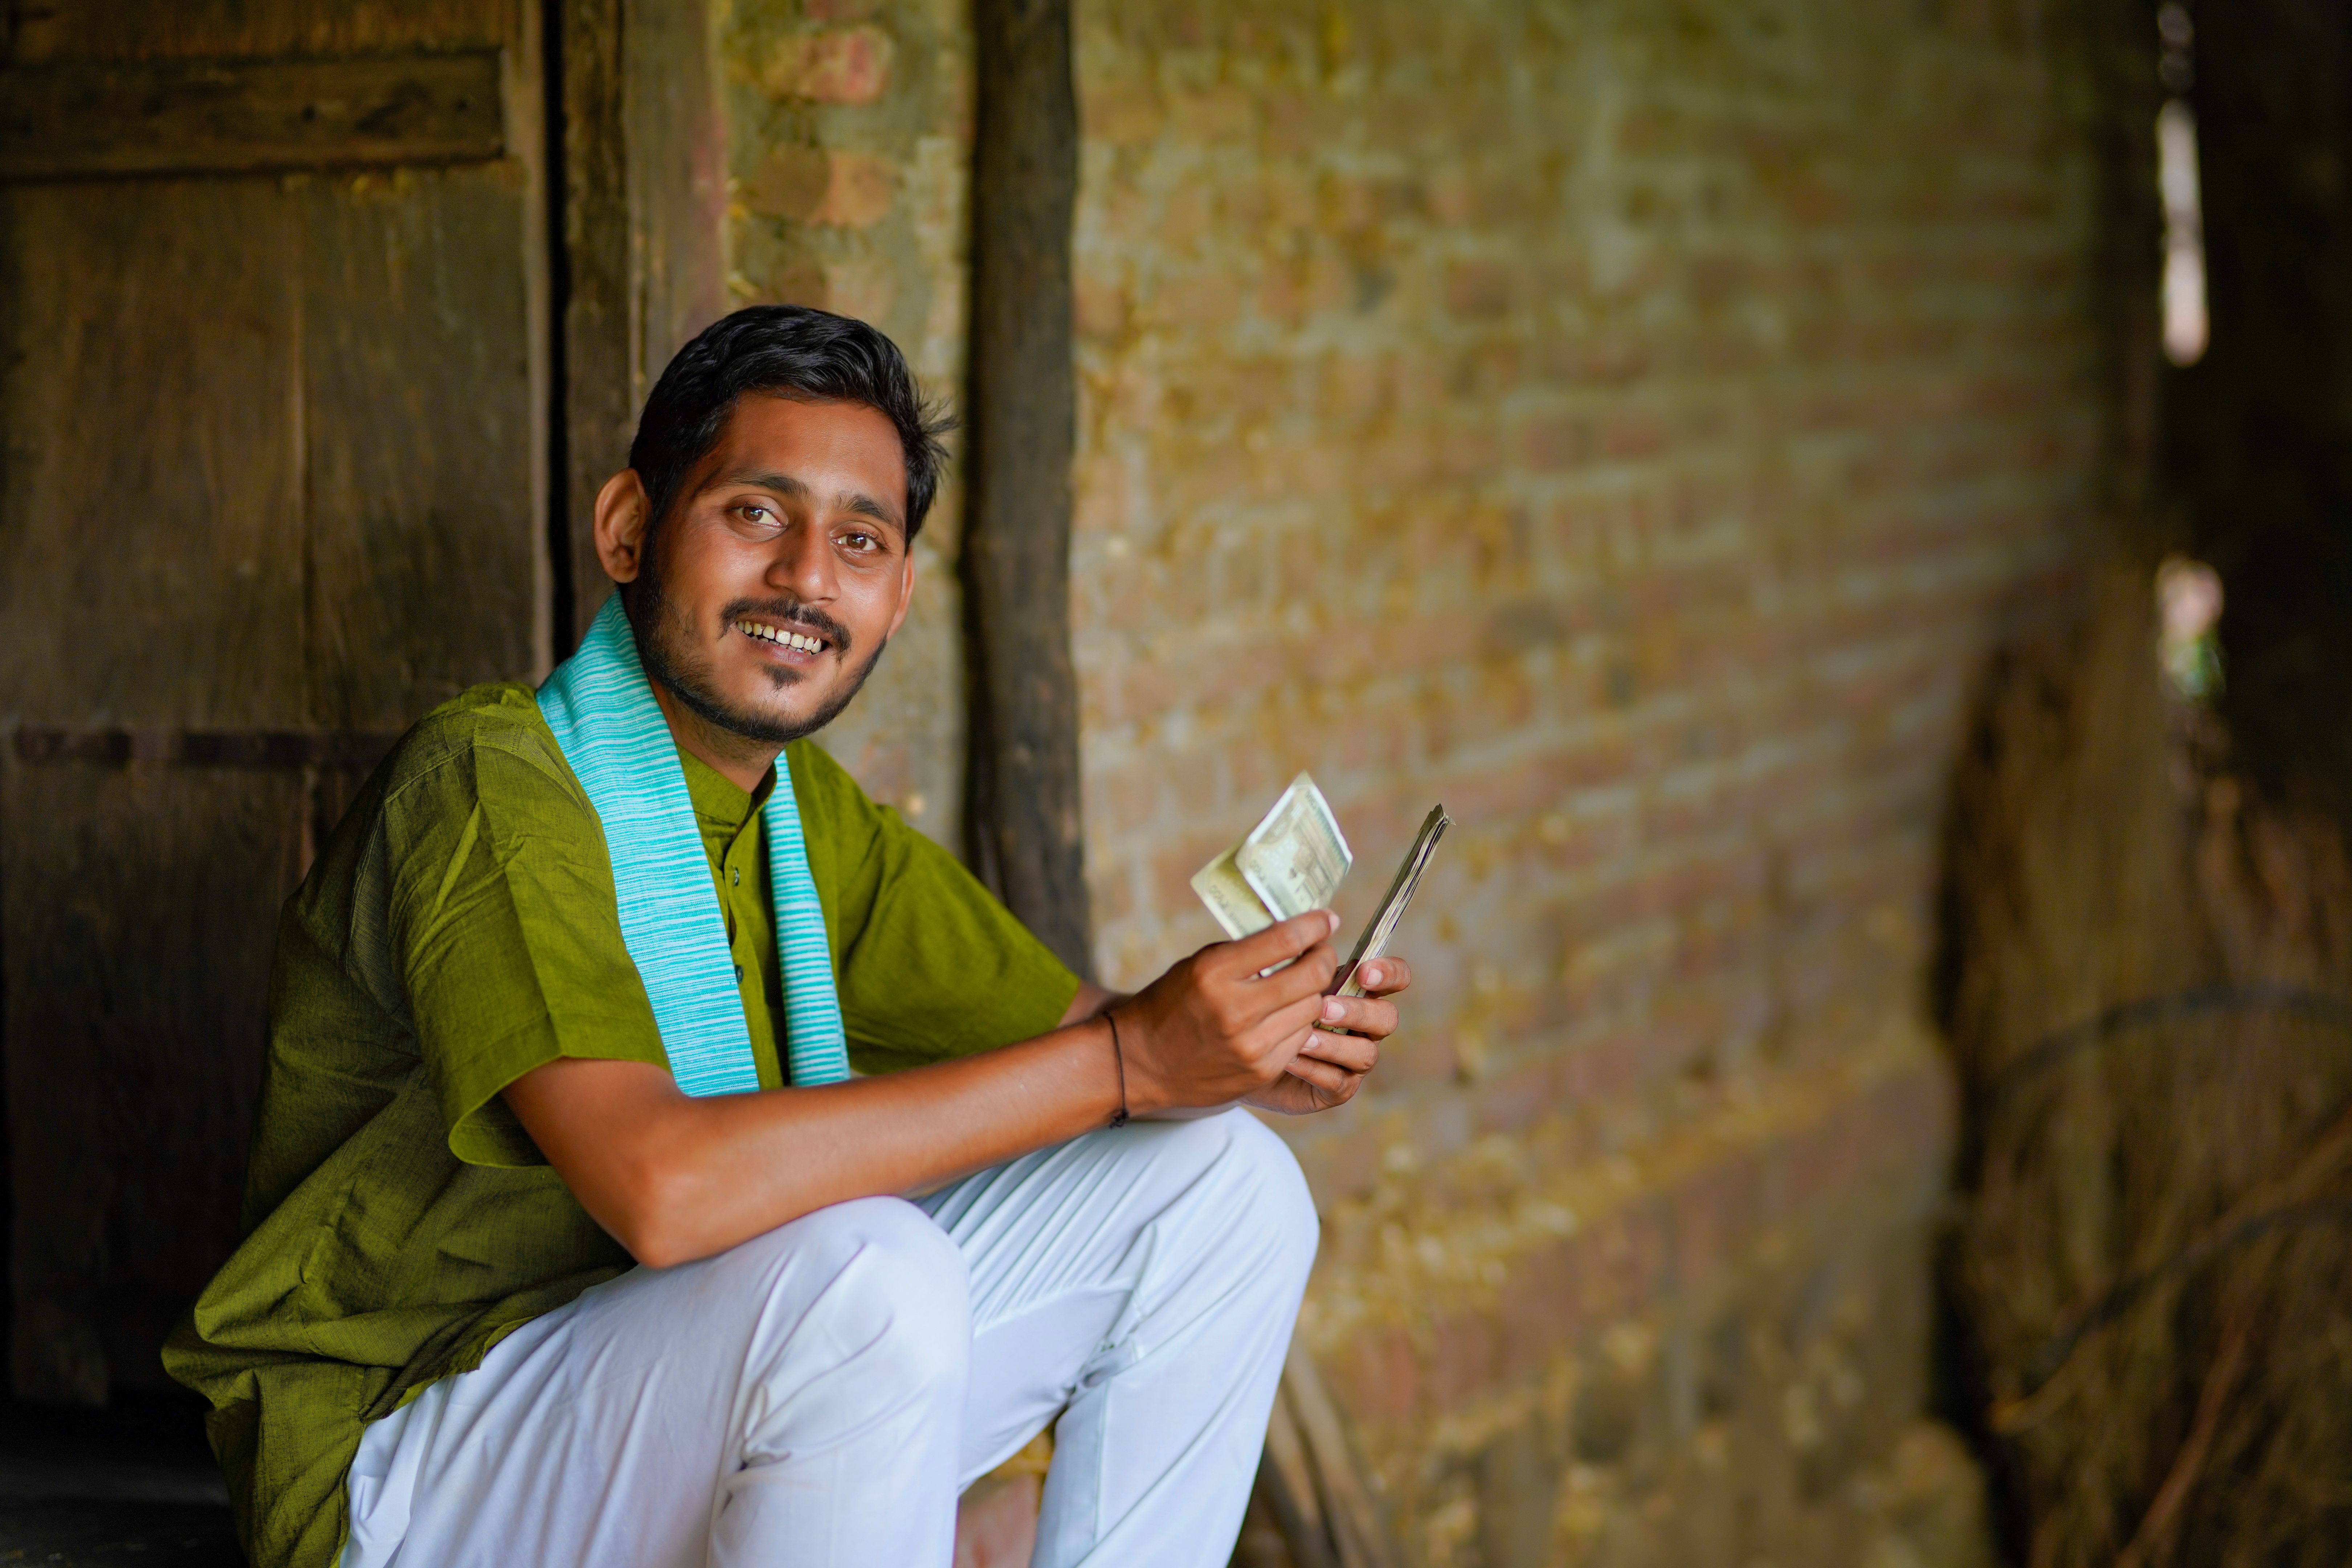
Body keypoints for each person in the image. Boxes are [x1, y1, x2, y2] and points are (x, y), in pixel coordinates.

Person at [165, 305, 1410, 1568]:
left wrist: (1247, 1045)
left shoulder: (803, 819)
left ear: (900, 594)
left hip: (668, 1390)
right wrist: (1133, 1065)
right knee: (867, 1279)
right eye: (757, 514)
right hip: (408, 1464)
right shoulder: (492, 786)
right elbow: (667, 1189)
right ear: (630, 529)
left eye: (859, 540)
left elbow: (1092, 1035)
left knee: (1225, 1187)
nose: (809, 578)